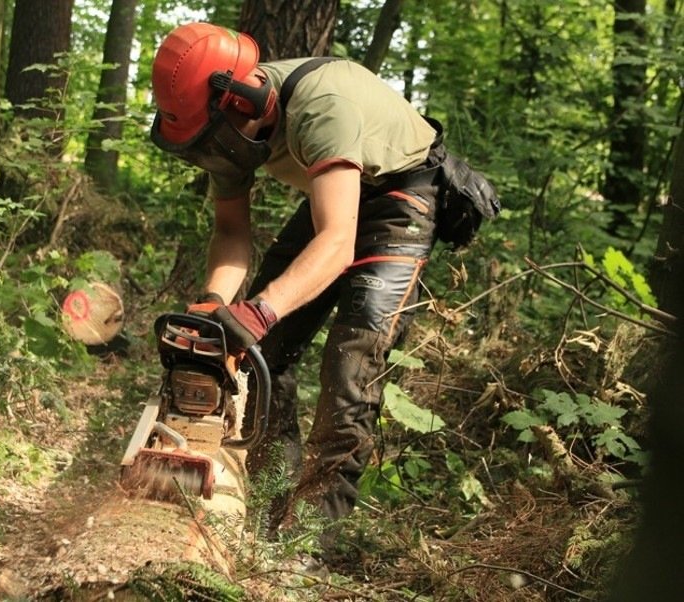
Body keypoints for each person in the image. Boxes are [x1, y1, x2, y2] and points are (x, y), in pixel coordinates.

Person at [149, 22, 487, 545]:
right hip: (336, 194)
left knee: (351, 366)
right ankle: (266, 505)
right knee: (262, 354)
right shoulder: (221, 128)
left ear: (246, 100)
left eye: (212, 142)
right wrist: (217, 308)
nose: (213, 154)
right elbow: (231, 231)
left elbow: (337, 244)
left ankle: (309, 539)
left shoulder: (320, 107)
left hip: (400, 191)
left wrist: (258, 311)